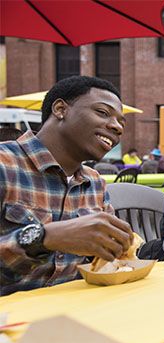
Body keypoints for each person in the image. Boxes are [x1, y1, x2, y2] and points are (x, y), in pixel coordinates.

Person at [0, 76, 133, 296]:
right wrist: (43, 239)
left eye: (121, 123)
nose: (117, 127)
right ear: (61, 109)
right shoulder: (5, 165)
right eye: (102, 112)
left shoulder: (95, 184)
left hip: (74, 317)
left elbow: (106, 265)